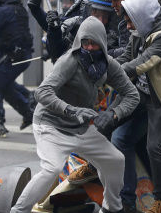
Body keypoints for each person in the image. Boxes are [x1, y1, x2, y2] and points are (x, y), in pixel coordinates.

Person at [9, 16, 140, 213]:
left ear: (102, 44)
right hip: (51, 126)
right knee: (52, 168)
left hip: (81, 128)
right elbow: (42, 92)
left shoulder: (109, 64)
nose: (88, 47)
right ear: (79, 42)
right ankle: (17, 211)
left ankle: (112, 208)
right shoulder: (69, 61)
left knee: (115, 160)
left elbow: (132, 95)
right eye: (84, 42)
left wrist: (113, 114)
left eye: (93, 43)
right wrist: (71, 110)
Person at [116, 0, 161, 213]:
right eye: (126, 21)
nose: (127, 26)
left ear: (141, 16)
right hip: (140, 92)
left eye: (130, 20)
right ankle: (125, 199)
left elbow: (141, 63)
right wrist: (99, 67)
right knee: (109, 125)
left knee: (153, 147)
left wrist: (105, 74)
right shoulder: (140, 26)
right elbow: (125, 58)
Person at [0, 0, 34, 138]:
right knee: (6, 86)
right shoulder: (19, 10)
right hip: (22, 56)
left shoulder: (4, 11)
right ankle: (29, 113)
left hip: (12, 57)